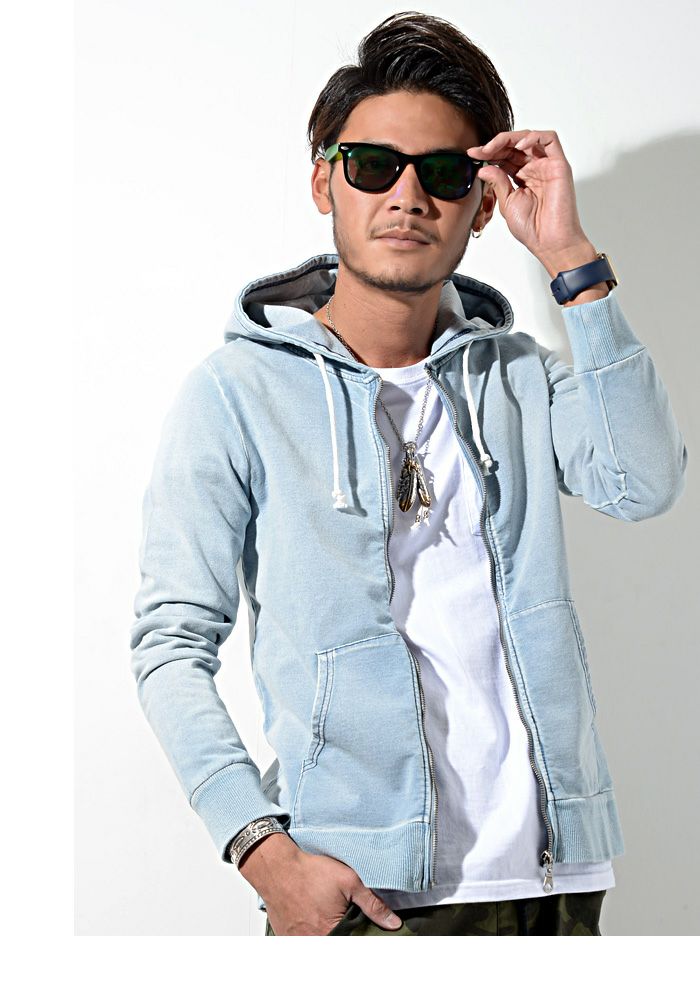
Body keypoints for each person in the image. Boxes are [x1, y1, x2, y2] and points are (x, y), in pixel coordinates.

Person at [129, 11, 688, 936]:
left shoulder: (519, 376)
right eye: (372, 166)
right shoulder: (236, 394)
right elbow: (170, 643)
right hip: (363, 896)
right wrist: (261, 850)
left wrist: (568, 257)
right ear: (324, 181)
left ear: (480, 204)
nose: (407, 196)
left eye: (442, 173)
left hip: (553, 884)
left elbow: (644, 481)